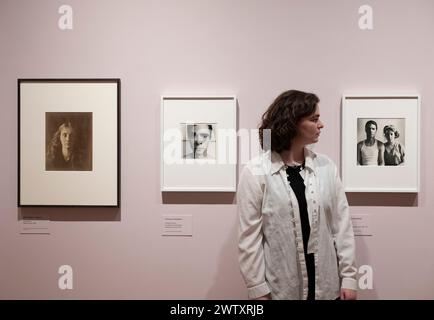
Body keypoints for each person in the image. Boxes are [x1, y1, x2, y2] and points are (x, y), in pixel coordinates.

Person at [237, 90, 357, 300]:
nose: (321, 125)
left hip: (327, 288)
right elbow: (249, 239)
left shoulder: (326, 167)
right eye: (314, 119)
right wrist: (257, 288)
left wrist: (349, 277)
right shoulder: (256, 172)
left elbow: (342, 225)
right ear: (292, 123)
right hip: (282, 290)